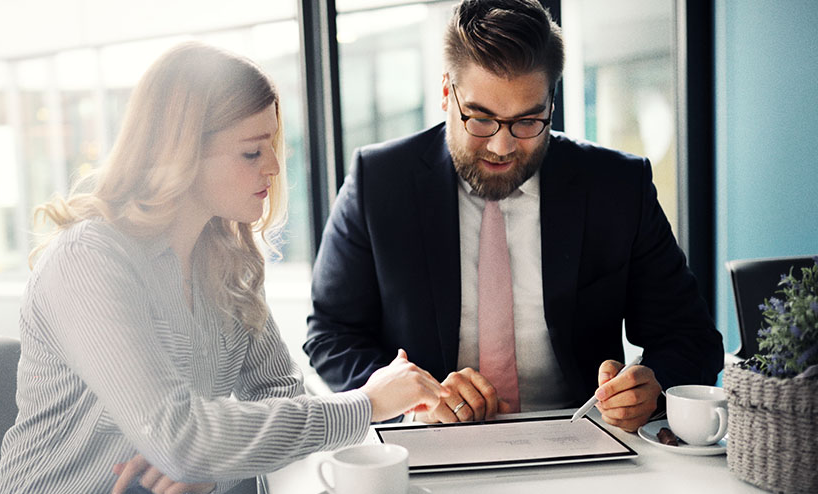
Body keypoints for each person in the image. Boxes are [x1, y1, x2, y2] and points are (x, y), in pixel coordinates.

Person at [0, 42, 447, 494]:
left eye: (272, 144)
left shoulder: (228, 261)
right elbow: (181, 437)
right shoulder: (88, 261)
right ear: (179, 154)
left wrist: (212, 467)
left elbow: (277, 394)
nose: (272, 165)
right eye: (251, 150)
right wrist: (366, 404)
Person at [304, 0, 723, 432]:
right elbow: (331, 335)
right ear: (447, 92)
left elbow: (690, 338)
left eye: (527, 121)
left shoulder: (616, 185)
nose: (502, 147)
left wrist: (652, 388)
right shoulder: (380, 182)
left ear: (551, 104)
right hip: (430, 444)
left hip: (585, 445)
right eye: (481, 119)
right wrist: (410, 399)